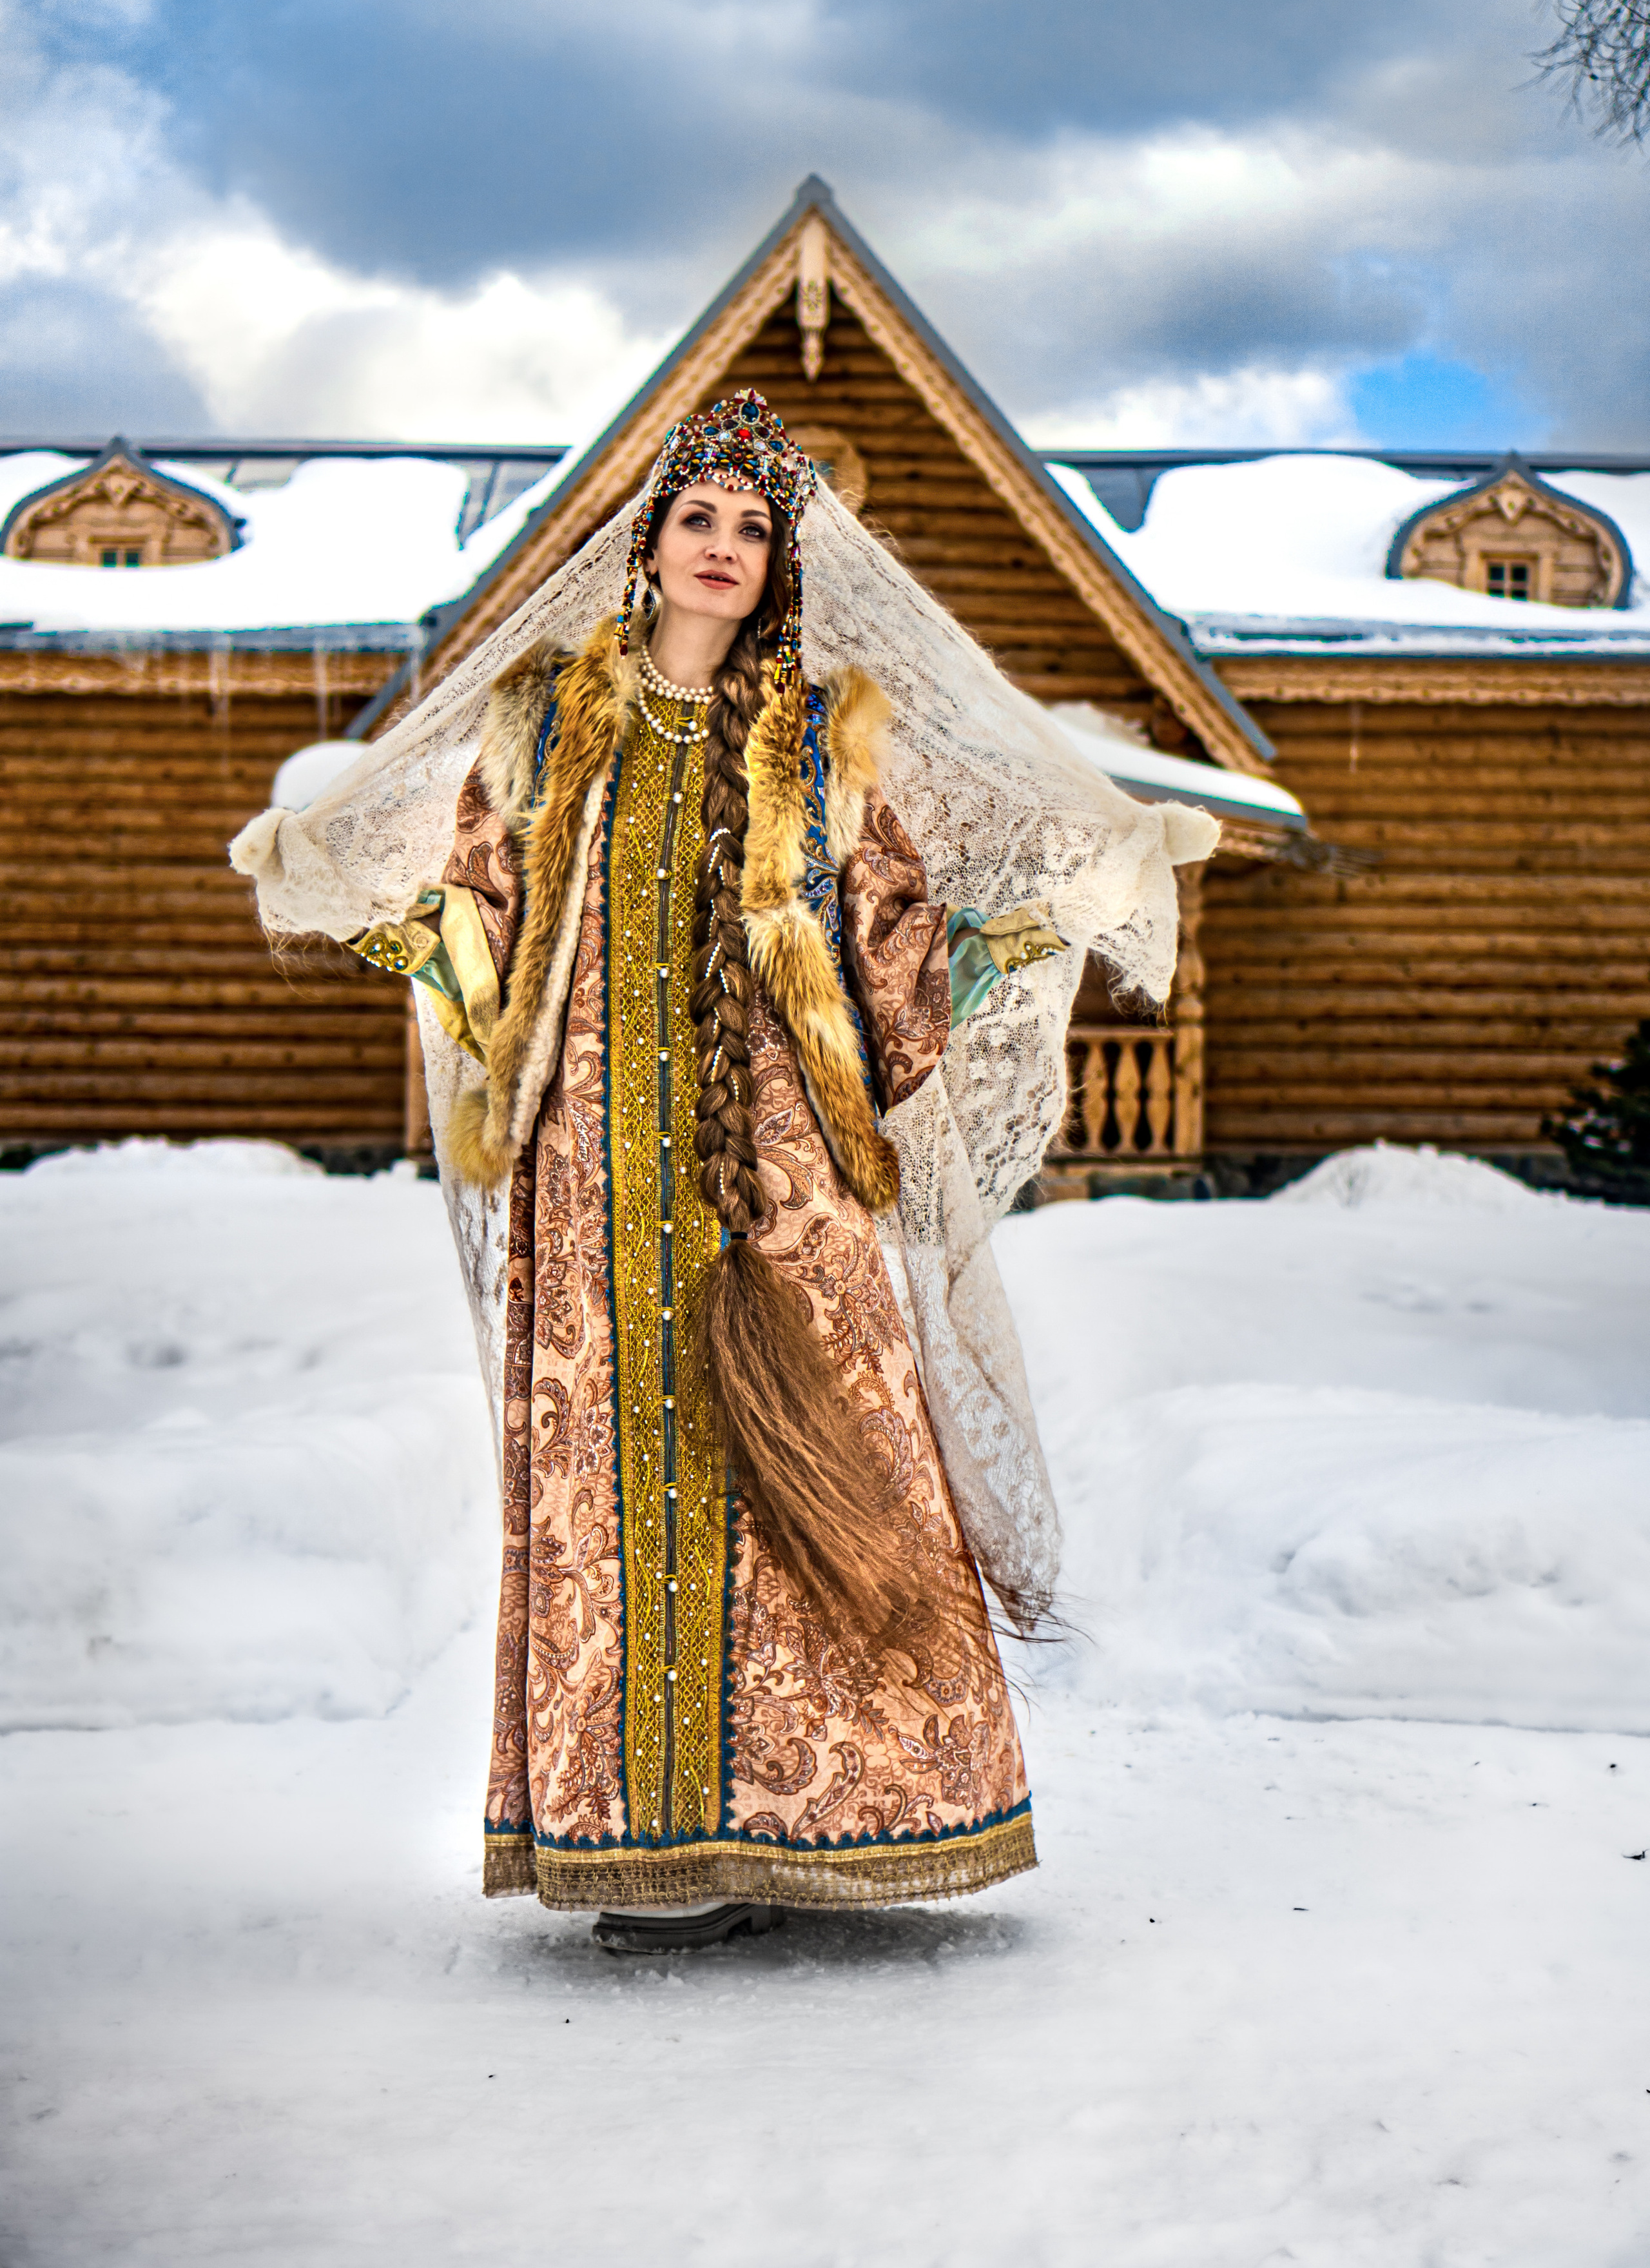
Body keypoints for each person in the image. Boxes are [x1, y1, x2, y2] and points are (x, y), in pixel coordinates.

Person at [232, 387, 1212, 1956]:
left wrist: (1045, 905)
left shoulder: (826, 742)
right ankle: (648, 1848)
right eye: (700, 518)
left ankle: (806, 1826)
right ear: (647, 542)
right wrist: (365, 895)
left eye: (754, 529)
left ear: (780, 568)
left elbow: (893, 944)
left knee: (818, 1470)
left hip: (784, 1181)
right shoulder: (543, 725)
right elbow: (477, 910)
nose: (725, 547)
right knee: (614, 1490)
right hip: (592, 1172)